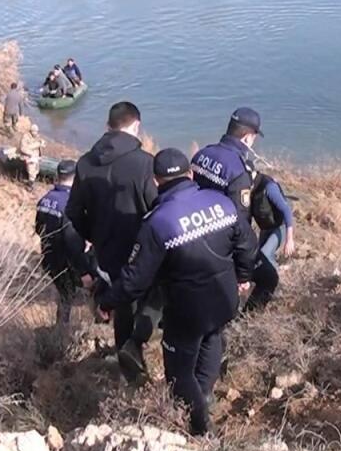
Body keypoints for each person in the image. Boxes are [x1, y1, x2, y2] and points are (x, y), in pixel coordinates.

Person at [100, 148, 256, 436]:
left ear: (156, 181)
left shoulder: (158, 222)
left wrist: (108, 301)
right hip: (225, 299)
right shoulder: (221, 202)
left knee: (179, 374)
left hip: (187, 313)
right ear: (191, 174)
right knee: (212, 337)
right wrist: (243, 276)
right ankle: (205, 396)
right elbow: (247, 244)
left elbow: (135, 279)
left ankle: (199, 430)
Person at [66, 102, 159, 378]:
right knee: (153, 299)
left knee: (122, 308)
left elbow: (72, 215)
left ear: (108, 127)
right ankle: (137, 348)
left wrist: (87, 252)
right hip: (140, 254)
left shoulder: (84, 163)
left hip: (106, 256)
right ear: (135, 126)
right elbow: (156, 209)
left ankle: (127, 367)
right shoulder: (143, 163)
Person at [191, 107, 268, 309]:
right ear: (247, 137)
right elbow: (239, 222)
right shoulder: (238, 170)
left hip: (193, 234)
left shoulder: (201, 154)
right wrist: (243, 274)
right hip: (220, 250)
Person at [34, 160, 91, 324]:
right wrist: (83, 272)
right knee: (69, 294)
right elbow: (72, 243)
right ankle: (62, 330)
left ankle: (62, 326)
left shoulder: (44, 199)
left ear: (58, 176)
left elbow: (39, 229)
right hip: (65, 262)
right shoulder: (70, 205)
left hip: (48, 258)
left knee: (64, 291)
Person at [245, 171, 295, 311]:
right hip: (265, 229)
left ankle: (274, 287)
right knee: (259, 259)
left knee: (265, 255)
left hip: (280, 228)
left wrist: (289, 240)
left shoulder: (269, 187)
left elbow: (286, 210)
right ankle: (268, 285)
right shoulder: (248, 189)